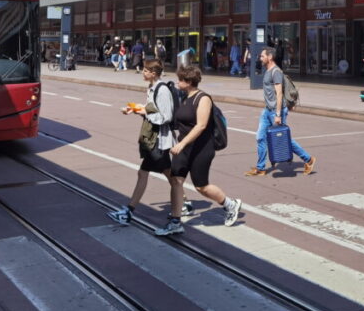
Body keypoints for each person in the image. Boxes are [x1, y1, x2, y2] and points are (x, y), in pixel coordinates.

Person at [157, 65, 241, 236]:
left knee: (201, 187)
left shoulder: (203, 99)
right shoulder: (184, 97)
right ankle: (175, 221)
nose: (177, 82)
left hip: (201, 148)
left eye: (180, 80)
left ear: (188, 82)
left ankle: (230, 204)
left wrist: (182, 143)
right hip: (184, 148)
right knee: (176, 181)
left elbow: (201, 125)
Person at [107, 59, 193, 224]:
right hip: (154, 139)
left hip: (159, 141)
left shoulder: (162, 90)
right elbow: (152, 109)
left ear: (154, 73)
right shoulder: (152, 88)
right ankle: (185, 203)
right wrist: (136, 110)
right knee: (170, 176)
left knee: (151, 174)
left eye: (146, 71)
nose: (143, 73)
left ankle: (128, 212)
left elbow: (165, 117)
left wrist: (142, 112)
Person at [245, 46, 316, 177]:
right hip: (267, 110)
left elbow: (279, 94)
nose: (260, 58)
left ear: (269, 57)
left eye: (262, 56)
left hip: (275, 112)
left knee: (284, 139)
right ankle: (261, 168)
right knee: (260, 138)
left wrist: (278, 114)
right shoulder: (268, 71)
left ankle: (308, 159)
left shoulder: (276, 72)